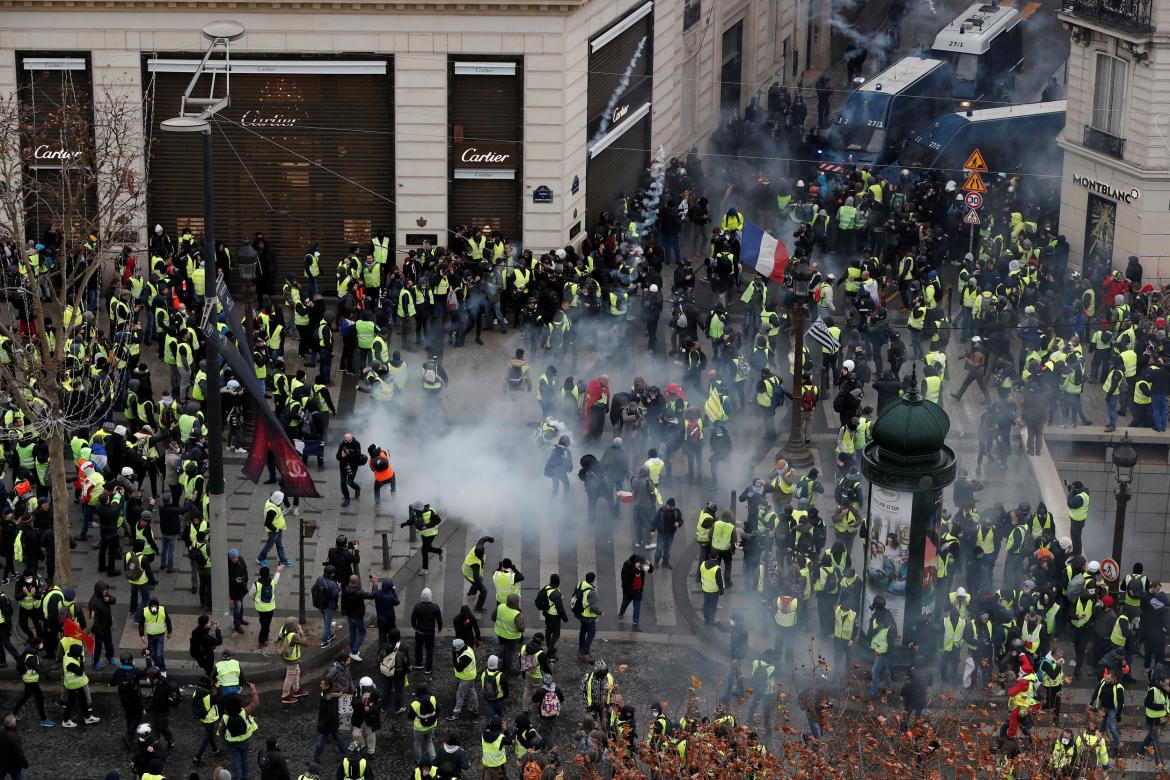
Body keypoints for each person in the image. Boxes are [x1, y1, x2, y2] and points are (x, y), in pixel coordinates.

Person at [219, 683, 261, 779]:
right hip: (244, 741)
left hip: (232, 743)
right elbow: (255, 702)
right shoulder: (244, 712)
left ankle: (238, 777)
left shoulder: (225, 718)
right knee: (245, 757)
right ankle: (245, 775)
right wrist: (253, 689)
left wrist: (223, 736)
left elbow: (221, 732)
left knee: (235, 761)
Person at [312, 677, 346, 766]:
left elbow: (331, 714)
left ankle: (316, 759)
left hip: (328, 724)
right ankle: (344, 753)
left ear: (327, 686)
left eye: (322, 684)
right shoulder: (328, 693)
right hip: (332, 723)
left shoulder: (331, 698)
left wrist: (321, 724)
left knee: (321, 741)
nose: (320, 685)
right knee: (337, 737)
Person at [536, 574, 569, 662]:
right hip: (554, 616)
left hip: (547, 613)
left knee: (548, 630)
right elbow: (560, 608)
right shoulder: (555, 592)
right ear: (558, 581)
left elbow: (550, 598)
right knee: (556, 633)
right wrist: (565, 618)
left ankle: (550, 647)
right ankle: (550, 652)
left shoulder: (547, 587)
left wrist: (560, 596)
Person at [341, 574, 375, 661]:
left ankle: (353, 649)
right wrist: (374, 584)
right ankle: (354, 651)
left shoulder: (345, 589)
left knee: (352, 632)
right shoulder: (359, 592)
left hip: (349, 615)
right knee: (362, 631)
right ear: (357, 581)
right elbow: (372, 595)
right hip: (357, 616)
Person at [277, 619, 310, 704]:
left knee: (297, 671)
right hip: (291, 657)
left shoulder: (283, 628)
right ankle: (285, 696)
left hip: (285, 654)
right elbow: (305, 643)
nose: (298, 625)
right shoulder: (293, 635)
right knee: (290, 675)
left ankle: (296, 689)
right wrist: (301, 631)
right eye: (296, 624)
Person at [411, 587, 443, 674]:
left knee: (418, 648)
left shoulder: (417, 607)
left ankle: (419, 663)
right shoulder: (435, 607)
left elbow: (413, 619)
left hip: (419, 632)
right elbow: (439, 620)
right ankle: (428, 668)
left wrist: (415, 627)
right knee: (429, 650)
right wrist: (440, 628)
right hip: (430, 633)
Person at [618, 555, 653, 630]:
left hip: (638, 590)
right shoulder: (626, 566)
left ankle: (635, 623)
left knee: (637, 607)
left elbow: (650, 570)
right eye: (640, 563)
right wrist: (636, 568)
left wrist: (649, 564)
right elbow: (627, 575)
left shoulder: (641, 566)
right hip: (629, 591)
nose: (641, 565)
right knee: (625, 603)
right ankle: (621, 613)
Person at [138, 597, 173, 672]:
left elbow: (168, 620)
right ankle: (157, 666)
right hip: (150, 636)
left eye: (155, 606)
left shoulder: (162, 609)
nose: (153, 608)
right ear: (149, 606)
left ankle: (163, 669)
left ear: (157, 606)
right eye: (152, 606)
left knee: (159, 654)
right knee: (153, 654)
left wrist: (169, 632)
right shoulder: (145, 611)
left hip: (160, 635)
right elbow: (141, 623)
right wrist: (142, 635)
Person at [351, 676, 382, 756]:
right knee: (355, 734)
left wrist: (370, 709)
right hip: (359, 717)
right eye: (366, 688)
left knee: (371, 735)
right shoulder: (357, 691)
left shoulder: (376, 692)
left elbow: (379, 705)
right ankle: (362, 745)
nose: (367, 690)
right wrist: (361, 700)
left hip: (371, 718)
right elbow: (353, 703)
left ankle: (371, 751)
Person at [449, 638, 478, 720]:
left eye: (454, 648)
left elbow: (458, 668)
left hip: (466, 678)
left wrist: (454, 655)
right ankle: (474, 709)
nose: (453, 649)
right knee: (471, 692)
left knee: (460, 695)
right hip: (469, 676)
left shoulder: (465, 656)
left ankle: (456, 713)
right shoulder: (468, 648)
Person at [574, 572, 601, 659]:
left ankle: (581, 648)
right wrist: (600, 612)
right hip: (588, 616)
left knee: (583, 631)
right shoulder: (591, 592)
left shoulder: (580, 584)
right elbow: (593, 607)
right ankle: (585, 652)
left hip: (581, 614)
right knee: (591, 634)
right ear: (593, 579)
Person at [411, 684, 439, 764]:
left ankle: (419, 761)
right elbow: (438, 710)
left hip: (419, 728)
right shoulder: (433, 699)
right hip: (432, 725)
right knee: (429, 741)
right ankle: (434, 759)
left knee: (417, 744)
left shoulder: (415, 704)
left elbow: (410, 716)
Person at [336, 433, 364, 508]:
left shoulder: (356, 444)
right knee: (342, 482)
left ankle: (357, 488)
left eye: (349, 440)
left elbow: (358, 456)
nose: (348, 442)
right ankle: (346, 498)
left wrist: (349, 454)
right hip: (343, 466)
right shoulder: (342, 445)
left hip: (353, 466)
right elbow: (337, 457)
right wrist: (342, 456)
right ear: (344, 439)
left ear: (351, 439)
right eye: (346, 441)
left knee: (350, 482)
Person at [0, 715, 28, 780]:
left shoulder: (1, 730)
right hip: (13, 765)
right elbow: (20, 753)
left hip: (1, 762)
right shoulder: (14, 737)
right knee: (17, 776)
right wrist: (25, 763)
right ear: (13, 724)